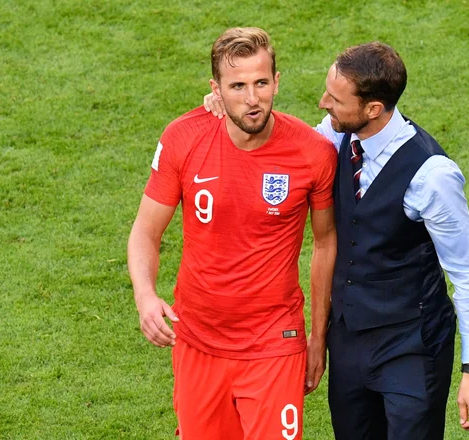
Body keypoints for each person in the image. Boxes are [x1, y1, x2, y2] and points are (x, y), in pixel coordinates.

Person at [205, 42, 469, 440]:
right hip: (348, 345)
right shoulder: (335, 136)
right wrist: (227, 107)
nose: (323, 103)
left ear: (373, 109)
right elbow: (280, 140)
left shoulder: (433, 176)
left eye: (335, 99)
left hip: (411, 347)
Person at [128, 27, 337, 440]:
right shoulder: (182, 138)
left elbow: (325, 243)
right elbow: (145, 232)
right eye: (237, 86)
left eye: (261, 83)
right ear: (216, 89)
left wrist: (317, 336)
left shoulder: (313, 153)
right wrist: (145, 296)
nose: (252, 98)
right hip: (197, 340)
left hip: (275, 342)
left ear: (277, 81)